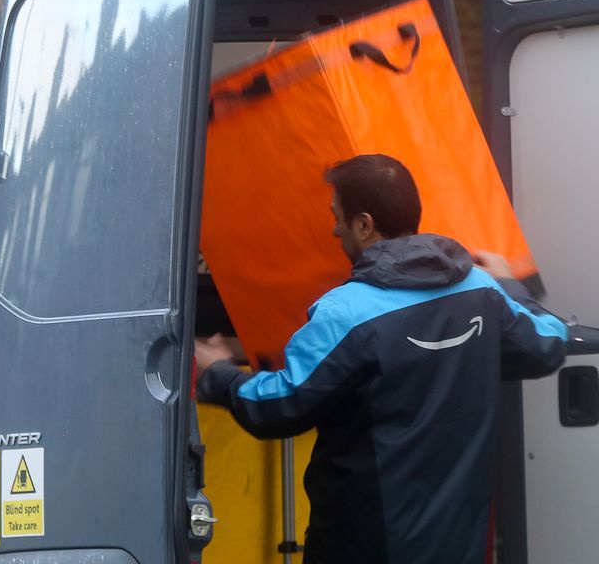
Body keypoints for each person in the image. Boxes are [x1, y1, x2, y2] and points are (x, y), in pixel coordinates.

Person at [194, 154, 567, 564]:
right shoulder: (480, 288)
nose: (334, 228)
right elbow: (549, 342)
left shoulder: (346, 312)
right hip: (457, 543)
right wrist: (510, 283)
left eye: (337, 215)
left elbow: (280, 405)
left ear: (365, 224)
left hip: (364, 546)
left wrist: (217, 373)